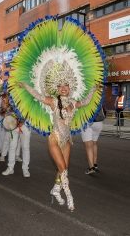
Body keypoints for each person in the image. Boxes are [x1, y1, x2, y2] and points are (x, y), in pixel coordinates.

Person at [19, 77, 98, 211]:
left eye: (66, 85)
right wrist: (25, 86)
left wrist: (93, 89)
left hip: (67, 140)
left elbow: (86, 101)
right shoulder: (54, 101)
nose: (63, 88)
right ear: (57, 89)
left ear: (70, 87)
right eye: (60, 86)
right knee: (63, 169)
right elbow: (37, 95)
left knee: (64, 168)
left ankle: (56, 189)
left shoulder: (73, 103)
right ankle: (69, 197)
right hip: (54, 138)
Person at [81, 105, 105, 174]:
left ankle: (91, 167)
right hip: (98, 122)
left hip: (87, 122)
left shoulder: (83, 95)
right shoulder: (98, 94)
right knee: (94, 143)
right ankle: (95, 164)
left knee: (88, 146)